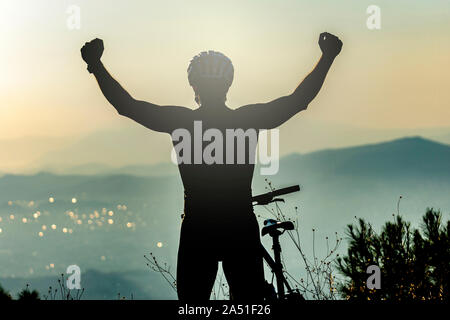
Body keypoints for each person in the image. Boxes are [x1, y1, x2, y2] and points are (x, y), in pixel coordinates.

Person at [80, 32, 343, 300]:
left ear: (194, 87)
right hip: (239, 224)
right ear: (228, 85)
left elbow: (127, 106)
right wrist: (327, 57)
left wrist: (96, 66)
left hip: (199, 226)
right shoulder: (246, 120)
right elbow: (298, 101)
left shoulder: (181, 122)